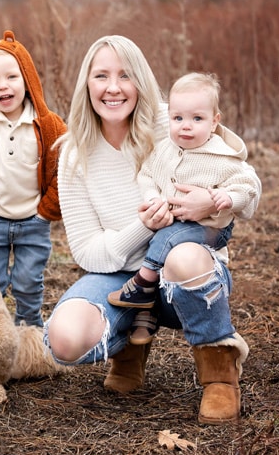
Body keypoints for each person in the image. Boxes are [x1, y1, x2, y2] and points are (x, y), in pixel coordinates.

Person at [43, 35, 261, 425]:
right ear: (86, 83)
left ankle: (219, 373)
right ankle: (128, 346)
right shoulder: (74, 154)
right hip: (122, 280)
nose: (113, 87)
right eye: (101, 76)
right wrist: (143, 226)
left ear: (140, 80)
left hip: (185, 269)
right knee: (64, 338)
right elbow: (87, 253)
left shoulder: (173, 120)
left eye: (125, 75)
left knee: (183, 255)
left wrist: (211, 200)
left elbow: (241, 172)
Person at [107, 72, 258, 345]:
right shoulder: (164, 149)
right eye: (178, 118)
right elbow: (147, 174)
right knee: (164, 237)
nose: (185, 126)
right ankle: (145, 313)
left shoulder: (222, 156)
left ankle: (144, 282)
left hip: (209, 231)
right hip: (172, 227)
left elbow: (248, 187)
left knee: (169, 237)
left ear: (215, 122)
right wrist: (153, 196)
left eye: (197, 119)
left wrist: (225, 197)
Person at [0, 30, 67, 327]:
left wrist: (47, 210)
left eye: (11, 77)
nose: (2, 87)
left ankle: (29, 334)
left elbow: (66, 168)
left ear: (28, 78)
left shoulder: (48, 124)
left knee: (28, 284)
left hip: (34, 222)